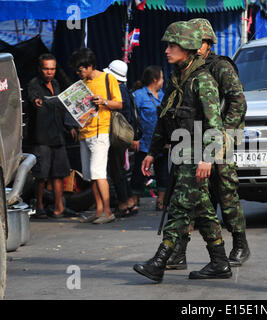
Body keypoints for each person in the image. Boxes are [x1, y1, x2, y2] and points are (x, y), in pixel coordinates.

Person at [133, 20, 232, 282]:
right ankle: (220, 262)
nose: (167, 50)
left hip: (197, 154)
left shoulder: (203, 81)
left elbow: (215, 124)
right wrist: (152, 152)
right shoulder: (178, 80)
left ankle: (159, 261)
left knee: (178, 206)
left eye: (173, 45)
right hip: (180, 153)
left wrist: (207, 158)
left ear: (187, 48)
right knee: (202, 210)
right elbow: (163, 119)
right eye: (167, 45)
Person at [164, 18, 249, 270]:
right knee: (187, 195)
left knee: (225, 191)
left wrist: (222, 135)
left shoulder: (220, 67)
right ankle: (178, 250)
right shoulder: (183, 69)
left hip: (218, 137)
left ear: (208, 43)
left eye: (199, 41)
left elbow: (238, 103)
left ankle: (239, 242)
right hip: (190, 140)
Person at [69, 48, 123, 224]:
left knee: (98, 173)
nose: (79, 72)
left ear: (90, 65)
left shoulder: (108, 79)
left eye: (81, 69)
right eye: (77, 70)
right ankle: (99, 210)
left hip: (101, 132)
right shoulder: (82, 83)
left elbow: (119, 103)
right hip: (85, 131)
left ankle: (107, 212)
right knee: (90, 174)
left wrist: (103, 101)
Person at [27, 53, 77, 219]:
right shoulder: (34, 83)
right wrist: (37, 101)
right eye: (47, 69)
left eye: (53, 69)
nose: (50, 72)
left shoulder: (56, 83)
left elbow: (62, 106)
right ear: (40, 69)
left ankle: (59, 207)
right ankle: (39, 206)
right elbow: (33, 97)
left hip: (58, 134)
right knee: (41, 175)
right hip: (41, 137)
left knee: (59, 174)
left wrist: (69, 126)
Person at [103, 59, 142, 217]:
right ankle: (129, 203)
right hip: (125, 135)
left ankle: (123, 203)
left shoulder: (117, 91)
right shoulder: (125, 89)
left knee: (116, 170)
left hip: (117, 135)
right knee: (120, 169)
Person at [130, 66, 165, 214]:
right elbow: (133, 118)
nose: (163, 81)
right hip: (144, 141)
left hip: (162, 141)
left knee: (163, 173)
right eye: (162, 78)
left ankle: (161, 201)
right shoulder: (138, 96)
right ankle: (133, 200)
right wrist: (134, 138)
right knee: (139, 172)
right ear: (155, 79)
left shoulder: (162, 95)